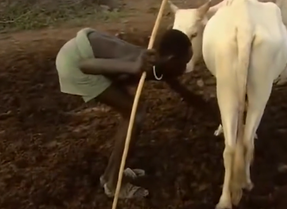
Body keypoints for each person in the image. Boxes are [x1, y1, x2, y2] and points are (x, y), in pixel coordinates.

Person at [55, 27, 215, 199]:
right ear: (171, 59)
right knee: (134, 113)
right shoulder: (139, 62)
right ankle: (114, 183)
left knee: (133, 111)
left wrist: (220, 117)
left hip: (90, 53)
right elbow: (84, 65)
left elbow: (186, 94)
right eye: (184, 63)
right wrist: (133, 67)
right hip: (75, 63)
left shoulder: (161, 64)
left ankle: (111, 173)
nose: (185, 69)